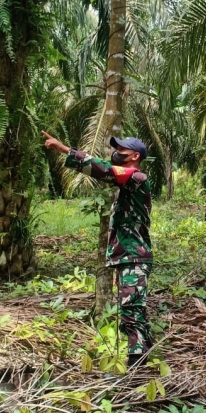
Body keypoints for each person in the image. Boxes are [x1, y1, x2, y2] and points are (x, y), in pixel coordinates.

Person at [42, 131, 153, 367]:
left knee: (132, 310)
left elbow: (103, 170)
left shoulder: (136, 177)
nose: (116, 153)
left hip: (134, 257)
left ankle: (137, 365)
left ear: (134, 156)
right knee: (132, 310)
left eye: (121, 150)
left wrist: (65, 150)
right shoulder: (128, 183)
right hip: (127, 257)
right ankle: (144, 354)